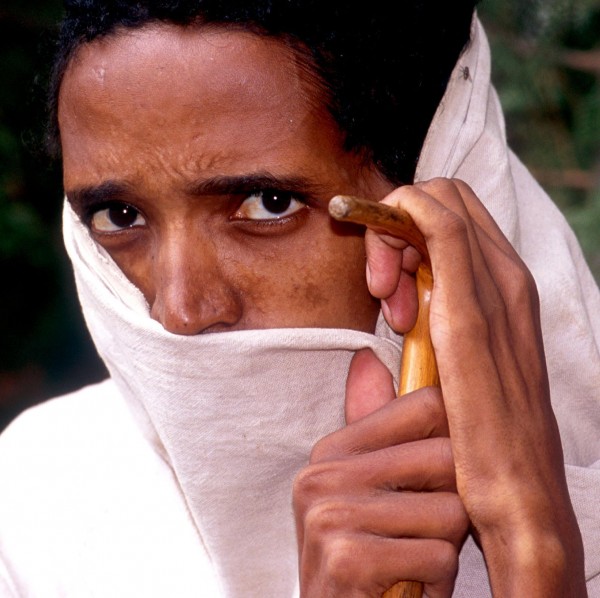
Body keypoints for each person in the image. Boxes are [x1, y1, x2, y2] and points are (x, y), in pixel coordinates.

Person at [0, 1, 598, 596]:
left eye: (268, 204)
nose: (178, 311)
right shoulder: (37, 512)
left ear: (438, 171)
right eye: (118, 215)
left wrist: (532, 547)